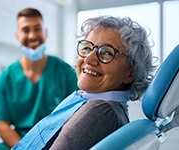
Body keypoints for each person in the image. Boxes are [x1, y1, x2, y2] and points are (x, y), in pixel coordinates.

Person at [12, 16, 157, 150]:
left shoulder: (101, 111)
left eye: (106, 52)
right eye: (87, 48)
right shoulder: (92, 103)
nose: (89, 59)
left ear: (130, 73)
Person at [0, 8, 79, 150]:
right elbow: (2, 125)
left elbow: (77, 116)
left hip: (57, 142)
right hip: (19, 142)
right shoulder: (6, 78)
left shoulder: (66, 72)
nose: (32, 35)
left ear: (45, 33)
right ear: (17, 35)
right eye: (26, 30)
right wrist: (25, 147)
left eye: (37, 29)